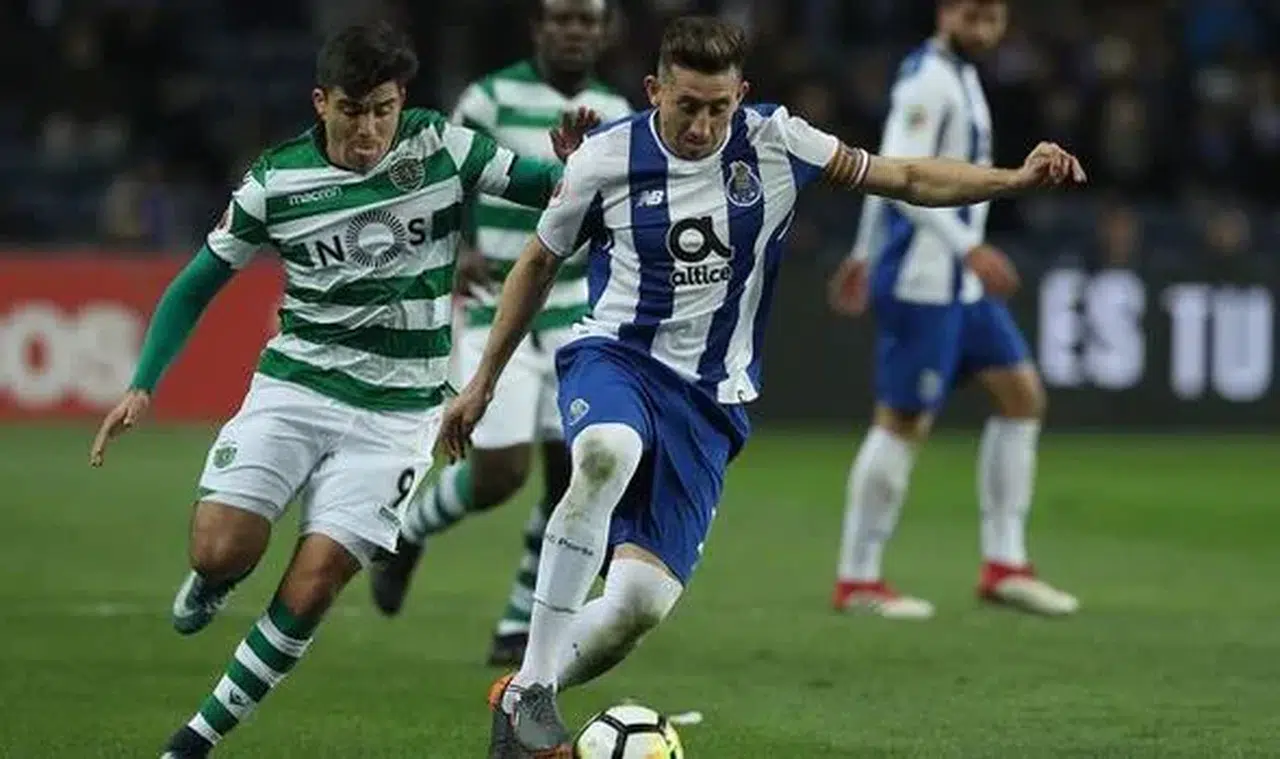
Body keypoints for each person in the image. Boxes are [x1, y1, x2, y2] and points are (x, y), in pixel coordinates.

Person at [435, 15, 1085, 758]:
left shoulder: (777, 141)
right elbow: (538, 262)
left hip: (710, 399)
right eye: (687, 106)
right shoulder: (606, 156)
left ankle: (522, 692)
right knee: (606, 451)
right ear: (654, 91)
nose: (702, 126)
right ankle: (533, 692)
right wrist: (481, 382)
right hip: (616, 357)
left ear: (741, 95)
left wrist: (1013, 180)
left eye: (719, 108)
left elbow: (905, 176)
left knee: (637, 606)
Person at [86, 22, 590, 759]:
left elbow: (545, 186)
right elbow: (197, 282)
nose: (369, 129)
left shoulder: (438, 146)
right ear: (321, 102)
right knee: (218, 548)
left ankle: (194, 739)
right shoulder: (275, 181)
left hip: (398, 415)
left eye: (383, 109)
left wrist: (574, 166)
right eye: (353, 111)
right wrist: (142, 385)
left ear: (401, 101)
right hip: (296, 389)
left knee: (316, 579)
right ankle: (215, 578)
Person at [370, 0, 632, 669]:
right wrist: (459, 246)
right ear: (538, 28)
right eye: (562, 19)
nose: (575, 31)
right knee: (498, 474)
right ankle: (409, 531)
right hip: (499, 306)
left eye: (587, 20)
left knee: (575, 474)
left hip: (576, 309)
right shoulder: (487, 98)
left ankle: (517, 623)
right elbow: (443, 173)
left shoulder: (618, 108)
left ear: (603, 31)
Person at [827, 0, 1080, 620]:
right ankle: (857, 578)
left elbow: (888, 164)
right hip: (923, 278)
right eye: (973, 16)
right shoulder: (929, 82)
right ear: (945, 12)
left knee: (1022, 396)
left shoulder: (957, 75)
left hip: (959, 284)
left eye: (994, 18)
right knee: (903, 422)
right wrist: (966, 247)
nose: (985, 29)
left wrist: (860, 251)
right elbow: (897, 178)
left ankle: (1004, 565)